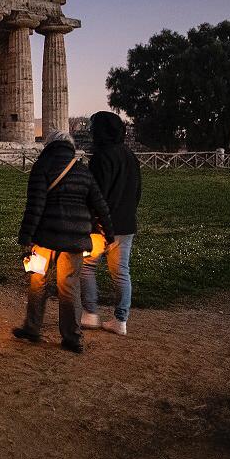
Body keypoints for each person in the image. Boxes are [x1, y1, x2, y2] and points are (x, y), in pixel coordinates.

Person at [12, 130, 114, 354]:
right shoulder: (81, 170)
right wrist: (109, 233)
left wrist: (26, 238)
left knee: (38, 282)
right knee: (69, 287)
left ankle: (32, 328)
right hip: (75, 239)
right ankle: (73, 338)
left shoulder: (42, 167)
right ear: (70, 147)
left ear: (49, 146)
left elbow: (35, 206)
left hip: (45, 237)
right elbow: (100, 204)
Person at [79, 111, 142, 336]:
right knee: (121, 272)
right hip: (126, 224)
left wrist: (92, 219)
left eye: (93, 127)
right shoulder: (130, 156)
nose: (90, 131)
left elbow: (95, 193)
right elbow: (137, 192)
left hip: (101, 225)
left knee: (87, 267)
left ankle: (90, 314)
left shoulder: (101, 157)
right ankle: (120, 320)